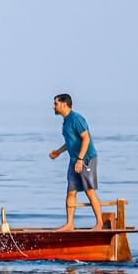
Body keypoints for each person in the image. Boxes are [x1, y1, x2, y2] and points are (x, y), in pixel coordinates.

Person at [49, 93, 104, 230]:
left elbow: (86, 138)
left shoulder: (76, 118)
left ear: (64, 104)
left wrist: (80, 159)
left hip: (86, 159)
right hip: (74, 160)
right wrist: (58, 152)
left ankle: (99, 224)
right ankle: (70, 224)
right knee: (71, 192)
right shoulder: (66, 121)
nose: (53, 107)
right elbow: (71, 142)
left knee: (89, 191)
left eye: (55, 104)